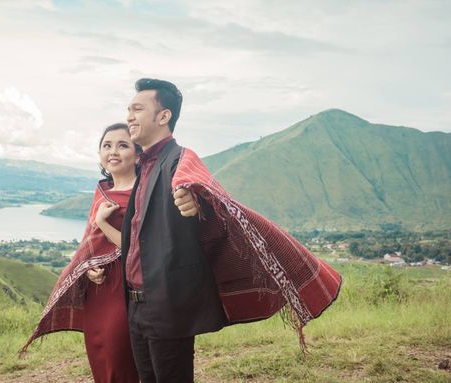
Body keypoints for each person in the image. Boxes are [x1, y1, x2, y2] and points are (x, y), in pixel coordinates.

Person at [121, 78, 342, 382]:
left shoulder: (179, 158)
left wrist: (194, 200)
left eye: (137, 109)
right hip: (135, 305)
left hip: (167, 303)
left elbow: (194, 183)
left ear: (163, 116)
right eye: (128, 110)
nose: (129, 116)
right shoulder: (143, 166)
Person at [20, 123, 140, 383]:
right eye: (107, 145)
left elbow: (139, 247)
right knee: (101, 356)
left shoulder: (142, 194)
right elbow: (90, 244)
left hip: (127, 289)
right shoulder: (102, 192)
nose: (113, 151)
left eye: (123, 145)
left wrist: (104, 224)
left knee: (120, 358)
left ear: (138, 154)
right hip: (98, 291)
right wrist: (89, 268)